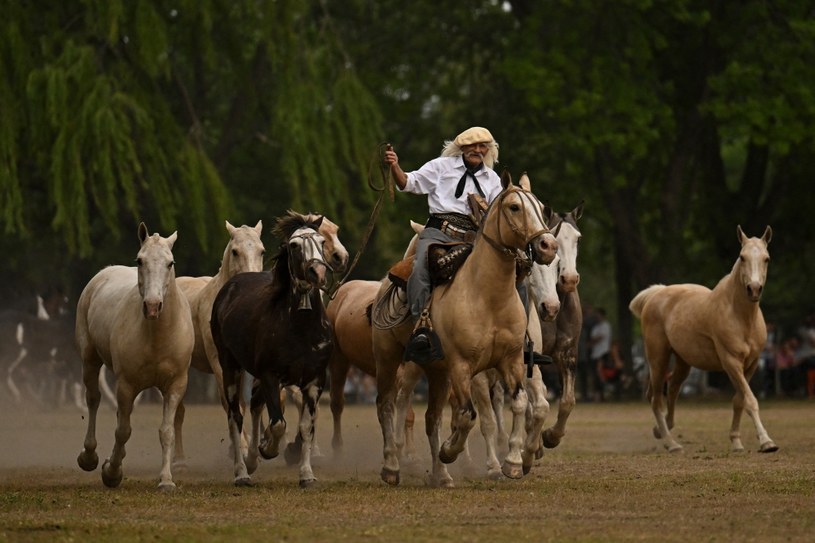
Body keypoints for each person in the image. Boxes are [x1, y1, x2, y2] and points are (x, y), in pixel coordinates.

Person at [384, 127, 521, 364]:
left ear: (488, 150)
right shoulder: (441, 166)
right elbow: (409, 183)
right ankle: (421, 330)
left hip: (477, 238)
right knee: (420, 268)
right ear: (462, 148)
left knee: (516, 270)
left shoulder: (493, 180)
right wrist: (395, 166)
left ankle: (521, 339)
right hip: (439, 231)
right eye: (472, 146)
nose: (477, 150)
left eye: (482, 146)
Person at [589, 307, 612, 401]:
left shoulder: (605, 325)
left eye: (598, 314)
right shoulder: (596, 327)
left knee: (600, 373)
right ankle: (598, 395)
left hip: (603, 352)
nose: (597, 317)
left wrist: (591, 342)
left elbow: (599, 338)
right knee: (595, 375)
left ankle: (604, 391)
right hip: (595, 353)